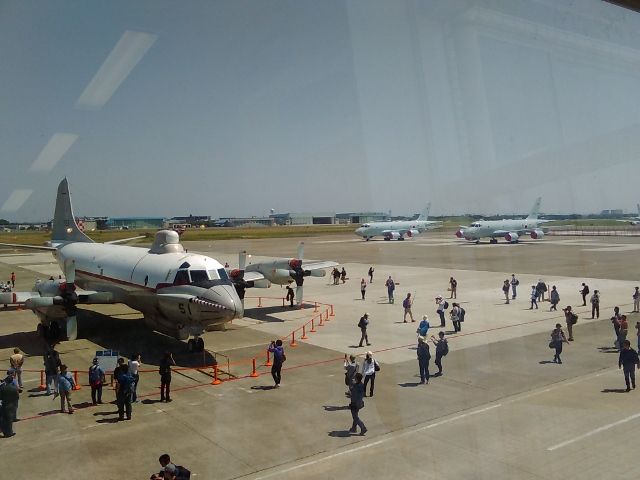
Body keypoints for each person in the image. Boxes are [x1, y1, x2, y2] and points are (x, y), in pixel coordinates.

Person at [0, 369, 19, 437]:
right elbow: (17, 397)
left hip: (4, 404)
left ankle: (4, 431)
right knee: (9, 420)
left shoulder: (2, 387)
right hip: (11, 404)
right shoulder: (14, 388)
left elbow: (0, 397)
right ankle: (8, 433)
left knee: (3, 418)